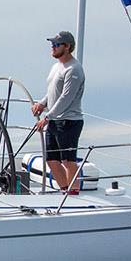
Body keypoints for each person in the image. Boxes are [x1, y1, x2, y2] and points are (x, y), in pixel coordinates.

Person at [31, 31, 86, 194]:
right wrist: (42, 103)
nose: (53, 48)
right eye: (52, 45)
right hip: (55, 119)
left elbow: (66, 97)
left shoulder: (74, 69)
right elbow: (53, 91)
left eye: (56, 45)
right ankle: (64, 189)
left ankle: (74, 191)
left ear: (67, 47)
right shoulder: (56, 67)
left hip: (69, 121)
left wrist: (47, 117)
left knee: (68, 160)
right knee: (52, 160)